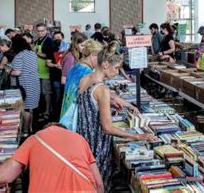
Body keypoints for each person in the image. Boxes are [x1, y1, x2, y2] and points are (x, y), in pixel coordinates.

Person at [77, 43, 154, 192]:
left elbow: (89, 105)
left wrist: (111, 105)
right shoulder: (102, 89)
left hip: (83, 139)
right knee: (100, 184)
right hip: (97, 144)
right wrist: (137, 136)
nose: (118, 72)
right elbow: (107, 128)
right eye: (116, 68)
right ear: (105, 64)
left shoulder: (85, 78)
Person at [0, 123, 104, 193]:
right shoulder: (80, 139)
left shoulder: (35, 139)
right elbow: (99, 184)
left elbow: (3, 177)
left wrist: (7, 161)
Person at [60, 40, 103, 130]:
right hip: (74, 116)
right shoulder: (87, 72)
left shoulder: (76, 66)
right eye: (100, 58)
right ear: (93, 56)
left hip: (66, 112)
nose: (101, 62)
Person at [8, 36, 40, 137]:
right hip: (34, 82)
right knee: (31, 107)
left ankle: (25, 132)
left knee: (25, 108)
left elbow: (17, 72)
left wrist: (8, 71)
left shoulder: (19, 56)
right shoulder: (32, 54)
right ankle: (30, 128)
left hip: (25, 84)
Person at [35, 23, 53, 120]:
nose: (40, 32)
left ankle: (47, 111)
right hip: (38, 71)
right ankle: (42, 110)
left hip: (46, 71)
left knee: (47, 93)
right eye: (39, 31)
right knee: (41, 93)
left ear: (46, 31)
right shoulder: (38, 40)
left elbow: (49, 55)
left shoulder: (49, 41)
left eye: (42, 31)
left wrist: (37, 53)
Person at [45, 31, 65, 119]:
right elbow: (47, 63)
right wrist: (55, 65)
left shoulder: (67, 49)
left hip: (66, 77)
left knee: (65, 97)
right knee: (56, 97)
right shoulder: (51, 49)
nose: (57, 39)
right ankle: (57, 116)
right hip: (55, 77)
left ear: (62, 38)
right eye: (56, 37)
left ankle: (64, 115)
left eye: (59, 37)